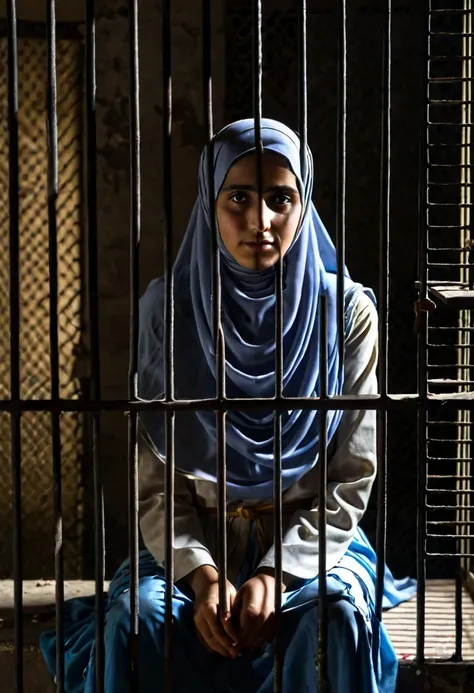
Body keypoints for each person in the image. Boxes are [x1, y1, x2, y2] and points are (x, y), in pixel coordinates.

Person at [40, 118, 415, 692]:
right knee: (137, 620)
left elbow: (350, 478)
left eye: (280, 199)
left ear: (303, 201)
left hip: (313, 546)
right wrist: (205, 576)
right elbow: (156, 484)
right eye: (238, 197)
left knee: (331, 619)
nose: (260, 222)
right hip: (195, 548)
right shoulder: (170, 312)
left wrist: (276, 575)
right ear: (210, 203)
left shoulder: (346, 316)